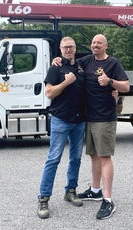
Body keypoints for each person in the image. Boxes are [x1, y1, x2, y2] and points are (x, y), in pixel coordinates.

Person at [53, 34, 130, 220]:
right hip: (89, 118)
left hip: (105, 118)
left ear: (106, 45)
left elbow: (126, 87)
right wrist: (58, 59)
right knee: (94, 156)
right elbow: (70, 59)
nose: (95, 45)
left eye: (99, 43)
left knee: (104, 157)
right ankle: (95, 191)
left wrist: (110, 82)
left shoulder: (113, 63)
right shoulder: (86, 61)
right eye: (93, 43)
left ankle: (108, 200)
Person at [37, 36, 86, 219]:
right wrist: (66, 82)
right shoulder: (55, 68)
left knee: (76, 158)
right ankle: (43, 198)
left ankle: (71, 190)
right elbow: (49, 93)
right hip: (60, 120)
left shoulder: (82, 67)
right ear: (60, 49)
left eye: (71, 47)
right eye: (65, 47)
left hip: (79, 121)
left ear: (75, 48)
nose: (68, 50)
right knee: (53, 159)